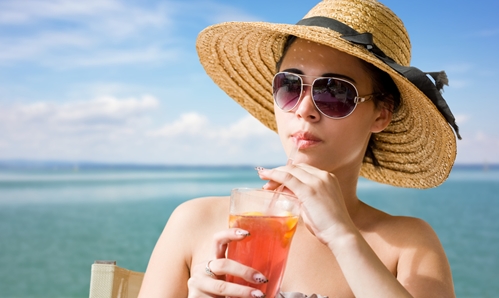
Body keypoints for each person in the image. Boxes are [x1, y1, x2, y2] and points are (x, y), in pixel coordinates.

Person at [138, 0, 461, 297]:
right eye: (290, 85)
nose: (304, 108)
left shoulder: (408, 245)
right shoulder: (194, 222)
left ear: (381, 113)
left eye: (335, 92)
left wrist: (342, 237)